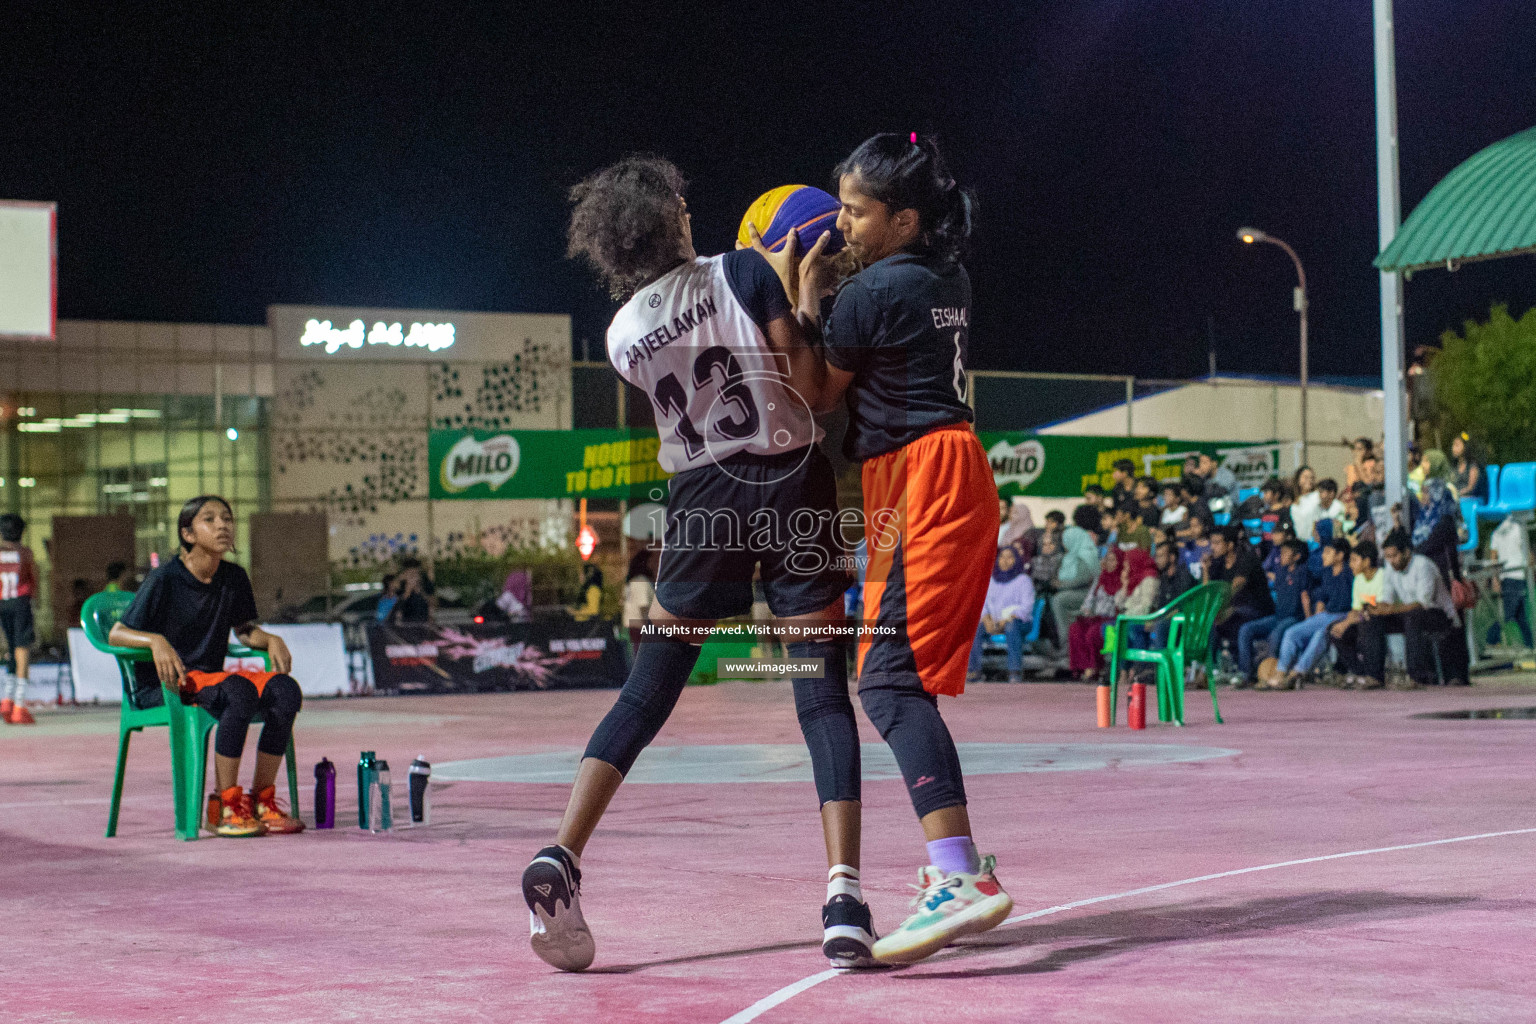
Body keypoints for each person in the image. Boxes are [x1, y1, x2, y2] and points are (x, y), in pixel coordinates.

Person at [524, 155, 865, 972]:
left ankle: (562, 854)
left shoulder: (619, 335)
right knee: (819, 693)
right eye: (681, 202)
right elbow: (813, 390)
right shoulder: (746, 270)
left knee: (649, 688)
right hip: (789, 484)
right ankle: (844, 895)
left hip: (703, 499)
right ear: (671, 219)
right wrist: (804, 299)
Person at [780, 132, 1014, 964]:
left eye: (856, 208)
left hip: (923, 480)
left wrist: (796, 298)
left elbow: (810, 397)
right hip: (935, 471)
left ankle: (958, 875)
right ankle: (959, 869)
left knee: (885, 681)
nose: (841, 220)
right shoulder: (944, 273)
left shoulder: (869, 293)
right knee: (901, 679)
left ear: (904, 217)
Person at [107, 496, 303, 836]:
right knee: (239, 692)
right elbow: (116, 633)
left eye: (227, 518)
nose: (223, 525)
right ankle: (224, 805)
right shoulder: (165, 578)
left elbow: (243, 631)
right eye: (209, 520)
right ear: (188, 534)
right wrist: (155, 641)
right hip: (165, 685)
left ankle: (261, 800)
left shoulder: (233, 577)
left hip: (210, 679)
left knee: (286, 691)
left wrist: (270, 639)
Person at [1334, 529, 1467, 689]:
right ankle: (1373, 676)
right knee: (1372, 619)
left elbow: (1422, 603)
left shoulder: (1423, 565)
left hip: (1439, 615)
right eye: (1388, 557)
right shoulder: (1391, 568)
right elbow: (1387, 600)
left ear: (1406, 552)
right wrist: (1375, 609)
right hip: (1407, 613)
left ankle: (1417, 677)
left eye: (1394, 555)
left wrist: (1389, 610)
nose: (1391, 561)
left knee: (1413, 616)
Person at [1262, 536, 1353, 690]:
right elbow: (1322, 597)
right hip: (1327, 615)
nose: (1323, 555)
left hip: (1344, 615)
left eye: (1328, 552)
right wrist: (1315, 615)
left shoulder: (1349, 574)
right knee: (1292, 632)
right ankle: (1281, 671)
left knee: (1320, 634)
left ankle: (1298, 673)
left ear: (1340, 556)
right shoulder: (1327, 572)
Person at [1068, 548, 1158, 678]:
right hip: (1107, 617)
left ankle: (1121, 669)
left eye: (1113, 560)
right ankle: (1082, 668)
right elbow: (1116, 602)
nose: (1109, 563)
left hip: (1121, 618)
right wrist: (1086, 610)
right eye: (1107, 560)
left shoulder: (1146, 579)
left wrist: (1123, 587)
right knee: (1076, 628)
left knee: (1110, 630)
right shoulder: (1111, 578)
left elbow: (1142, 606)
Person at [1238, 539, 1308, 684]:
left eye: (1285, 553)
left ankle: (1271, 674)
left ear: (1297, 556)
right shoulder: (1281, 572)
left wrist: (1308, 621)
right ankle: (1246, 673)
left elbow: (1305, 597)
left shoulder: (1302, 572)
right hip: (1278, 616)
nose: (1281, 556)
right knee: (1246, 629)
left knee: (1276, 634)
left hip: (1295, 617)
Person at [967, 544, 1035, 683]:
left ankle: (1014, 671)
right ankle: (973, 671)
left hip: (1019, 622)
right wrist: (986, 618)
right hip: (994, 621)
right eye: (1002, 557)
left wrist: (1006, 619)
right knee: (974, 628)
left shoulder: (1023, 581)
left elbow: (1026, 607)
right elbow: (982, 603)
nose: (1005, 560)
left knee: (1011, 626)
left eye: (1010, 557)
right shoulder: (991, 580)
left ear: (1016, 560)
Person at [1206, 525, 1273, 663]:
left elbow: (1236, 587)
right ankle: (1209, 669)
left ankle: (1244, 673)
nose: (1212, 547)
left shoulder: (1247, 558)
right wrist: (1205, 569)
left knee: (1232, 619)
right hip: (1234, 611)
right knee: (1208, 624)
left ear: (1230, 545)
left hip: (1258, 610)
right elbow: (1207, 592)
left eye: (1217, 543)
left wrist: (1220, 610)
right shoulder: (1217, 564)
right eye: (1211, 543)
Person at [1328, 541, 1387, 688]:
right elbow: (1356, 609)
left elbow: (1378, 608)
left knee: (1369, 621)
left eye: (1354, 560)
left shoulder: (1382, 576)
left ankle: (1375, 676)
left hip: (1388, 617)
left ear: (1367, 562)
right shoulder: (1359, 579)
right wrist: (1344, 623)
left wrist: (1348, 622)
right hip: (1365, 617)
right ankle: (1360, 673)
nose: (1350, 565)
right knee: (1335, 631)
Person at [0, 514, 39, 725]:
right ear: (22, 532)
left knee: (10, 647)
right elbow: (34, 580)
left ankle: (6, 699)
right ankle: (19, 705)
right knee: (22, 648)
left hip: (2, 603)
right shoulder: (25, 553)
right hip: (20, 602)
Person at [1052, 505, 1102, 642]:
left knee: (1058, 600)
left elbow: (1084, 579)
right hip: (1077, 590)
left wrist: (1060, 585)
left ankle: (1066, 642)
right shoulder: (1071, 555)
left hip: (1089, 592)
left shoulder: (1085, 555)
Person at [1488, 517, 1532, 648]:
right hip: (1518, 574)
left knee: (1521, 616)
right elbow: (1527, 552)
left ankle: (1530, 644)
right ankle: (1491, 639)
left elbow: (1493, 557)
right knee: (1509, 613)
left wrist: (1495, 578)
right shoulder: (1519, 529)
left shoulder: (1496, 533)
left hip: (1506, 576)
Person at [621, 548, 658, 649]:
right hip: (640, 627)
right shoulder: (642, 582)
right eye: (651, 561)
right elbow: (643, 606)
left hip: (632, 627)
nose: (655, 565)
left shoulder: (632, 581)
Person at [394, 557, 434, 623]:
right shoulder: (399, 585)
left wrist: (420, 591)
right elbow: (395, 608)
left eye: (416, 574)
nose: (414, 577)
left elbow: (433, 602)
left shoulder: (425, 581)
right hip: (405, 622)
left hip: (423, 621)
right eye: (411, 574)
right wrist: (407, 592)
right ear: (405, 574)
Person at [1451, 434, 1486, 503]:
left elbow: (1471, 488)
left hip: (1473, 499)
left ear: (1466, 447)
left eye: (1457, 445)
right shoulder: (1455, 466)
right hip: (1459, 498)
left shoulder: (1473, 465)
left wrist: (1457, 494)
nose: (1453, 448)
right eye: (1453, 445)